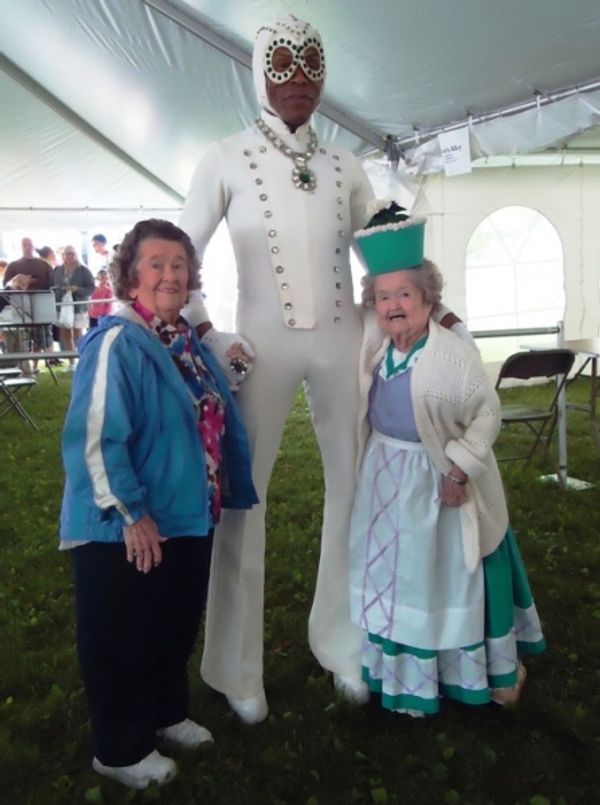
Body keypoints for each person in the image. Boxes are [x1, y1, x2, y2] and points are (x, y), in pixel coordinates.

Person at [179, 14, 472, 724]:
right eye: (282, 68)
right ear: (259, 73)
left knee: (355, 485)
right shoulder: (224, 156)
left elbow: (386, 252)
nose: (298, 82)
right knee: (246, 501)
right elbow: (181, 254)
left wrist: (436, 307)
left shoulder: (346, 165)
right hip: (260, 344)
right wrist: (210, 333)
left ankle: (344, 640)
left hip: (344, 339)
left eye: (310, 68)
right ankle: (235, 664)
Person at [60, 219, 257, 789]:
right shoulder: (119, 341)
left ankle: (166, 715)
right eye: (156, 265)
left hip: (186, 515)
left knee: (170, 627)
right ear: (131, 275)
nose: (170, 274)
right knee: (123, 633)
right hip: (130, 523)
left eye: (178, 265)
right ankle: (119, 749)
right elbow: (94, 438)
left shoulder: (182, 340)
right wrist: (130, 512)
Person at [348, 201, 546, 717]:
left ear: (428, 298)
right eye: (383, 295)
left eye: (405, 294)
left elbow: (488, 414)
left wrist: (458, 469)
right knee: (396, 575)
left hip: (436, 480)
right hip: (384, 475)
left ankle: (459, 674)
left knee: (434, 576)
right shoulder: (376, 347)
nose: (393, 305)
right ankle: (397, 671)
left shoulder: (450, 355)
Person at [3, 237, 54, 373]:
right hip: (19, 308)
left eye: (29, 244)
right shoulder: (13, 265)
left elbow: (51, 284)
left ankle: (37, 365)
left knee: (41, 337)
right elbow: (7, 286)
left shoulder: (44, 265)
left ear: (33, 246)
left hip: (40, 306)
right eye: (24, 244)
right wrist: (20, 283)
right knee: (19, 340)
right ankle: (19, 369)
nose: (27, 246)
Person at [53, 245, 95, 370]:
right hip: (63, 307)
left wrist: (77, 289)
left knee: (79, 333)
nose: (69, 256)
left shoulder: (84, 270)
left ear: (76, 255)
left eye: (72, 253)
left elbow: (91, 288)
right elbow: (54, 287)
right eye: (67, 254)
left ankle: (84, 359)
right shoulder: (58, 270)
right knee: (65, 333)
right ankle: (72, 362)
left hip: (78, 306)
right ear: (63, 256)